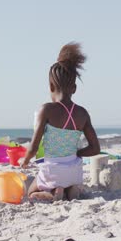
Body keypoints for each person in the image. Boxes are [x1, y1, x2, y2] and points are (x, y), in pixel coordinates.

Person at [20, 42, 100, 202]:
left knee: (30, 192)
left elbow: (34, 147)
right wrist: (76, 153)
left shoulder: (46, 110)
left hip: (53, 170)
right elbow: (95, 149)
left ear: (50, 86)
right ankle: (70, 189)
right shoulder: (82, 113)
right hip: (74, 171)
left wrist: (25, 161)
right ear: (74, 88)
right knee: (66, 180)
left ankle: (52, 194)